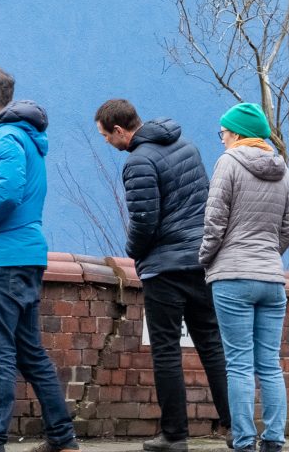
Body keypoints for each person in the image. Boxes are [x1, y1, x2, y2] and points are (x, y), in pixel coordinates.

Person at [0, 67, 78, 452]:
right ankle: (62, 436)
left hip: (5, 259)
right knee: (29, 351)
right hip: (24, 255)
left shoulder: (5, 137)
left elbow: (7, 193)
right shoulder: (21, 136)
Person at [94, 99, 231, 452]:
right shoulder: (187, 146)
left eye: (106, 136)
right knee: (212, 346)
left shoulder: (138, 161)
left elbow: (144, 221)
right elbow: (205, 201)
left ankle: (174, 435)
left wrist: (134, 251)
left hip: (164, 268)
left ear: (120, 131)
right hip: (200, 262)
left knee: (167, 351)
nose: (107, 143)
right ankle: (236, 427)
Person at [199, 103, 289, 452]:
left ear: (237, 134)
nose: (222, 138)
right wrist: (269, 255)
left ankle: (243, 441)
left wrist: (206, 260)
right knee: (269, 364)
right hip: (272, 279)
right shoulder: (284, 171)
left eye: (223, 132)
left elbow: (214, 223)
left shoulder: (228, 164)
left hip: (233, 276)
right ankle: (273, 440)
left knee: (238, 364)